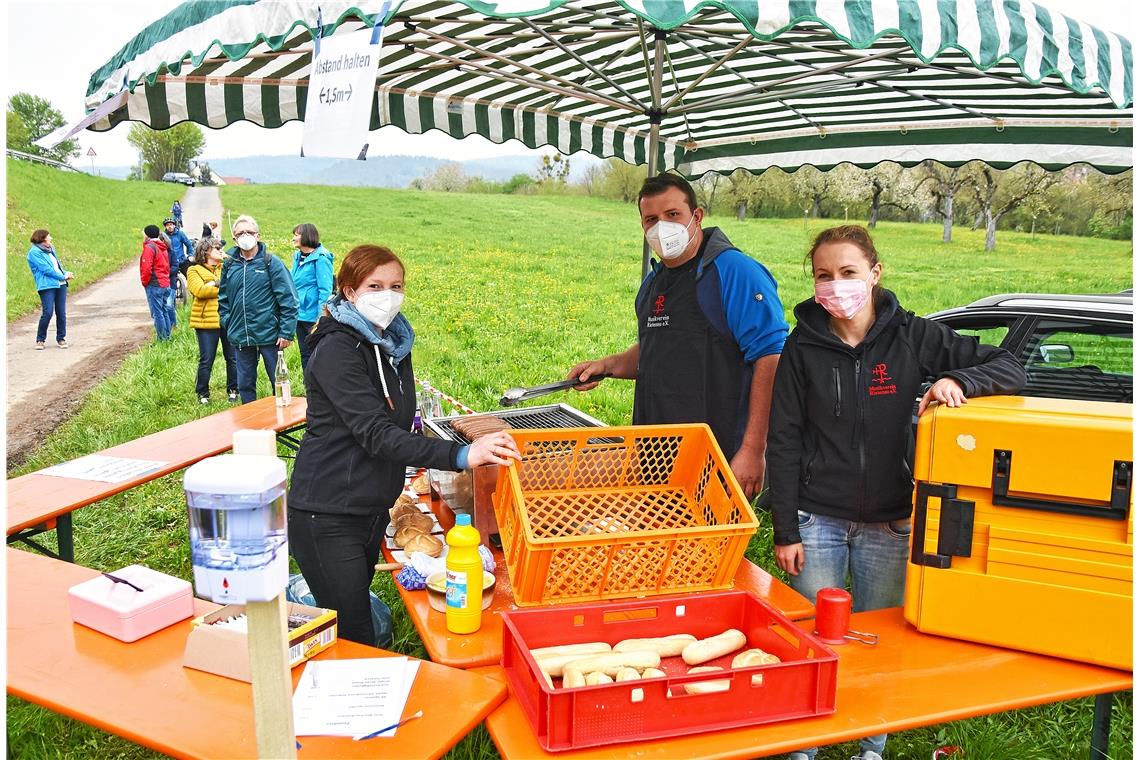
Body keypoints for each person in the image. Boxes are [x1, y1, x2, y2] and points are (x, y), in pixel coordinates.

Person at [767, 225, 1026, 760]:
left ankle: (871, 742)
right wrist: (786, 529)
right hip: (818, 518)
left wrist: (959, 381)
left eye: (848, 273)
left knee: (878, 638)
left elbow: (1009, 365)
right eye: (824, 275)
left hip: (893, 520)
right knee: (815, 635)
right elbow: (785, 438)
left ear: (875, 273)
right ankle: (806, 743)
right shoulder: (801, 347)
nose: (836, 286)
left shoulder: (912, 336)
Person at [287, 243, 521, 646]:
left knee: (354, 608)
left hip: (369, 507)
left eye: (396, 285)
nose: (387, 295)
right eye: (374, 285)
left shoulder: (393, 346)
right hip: (326, 512)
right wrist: (461, 455)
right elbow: (376, 433)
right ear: (349, 291)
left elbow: (399, 422)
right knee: (353, 633)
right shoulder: (336, 350)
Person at [568, 173, 788, 499]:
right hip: (655, 450)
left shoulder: (734, 271)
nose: (661, 227)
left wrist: (754, 449)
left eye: (672, 215)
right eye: (651, 219)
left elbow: (770, 357)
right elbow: (658, 347)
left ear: (696, 216)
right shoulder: (653, 283)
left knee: (708, 547)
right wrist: (608, 365)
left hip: (717, 452)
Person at [217, 214, 299, 403]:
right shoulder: (229, 265)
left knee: (278, 380)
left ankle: (284, 418)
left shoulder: (271, 263)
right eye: (240, 233)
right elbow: (223, 298)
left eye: (249, 232)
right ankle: (249, 421)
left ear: (258, 235)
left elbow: (289, 299)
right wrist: (228, 322)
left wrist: (286, 332)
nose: (245, 235)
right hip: (240, 335)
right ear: (235, 238)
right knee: (244, 383)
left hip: (270, 335)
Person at [187, 237, 238, 404]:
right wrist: (222, 285)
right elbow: (199, 291)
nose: (220, 250)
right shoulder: (194, 270)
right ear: (206, 251)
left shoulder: (226, 266)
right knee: (207, 358)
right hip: (206, 322)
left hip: (227, 319)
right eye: (217, 248)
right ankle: (202, 392)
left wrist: (214, 285)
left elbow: (235, 286)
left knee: (232, 357)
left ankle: (233, 389)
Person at [289, 223, 335, 370]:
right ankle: (309, 387)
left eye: (297, 234)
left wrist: (320, 318)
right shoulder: (297, 257)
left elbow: (325, 290)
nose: (293, 238)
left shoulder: (321, 259)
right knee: (305, 353)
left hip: (313, 316)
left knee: (317, 353)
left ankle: (321, 386)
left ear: (307, 236)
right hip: (299, 313)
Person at [26, 229, 75, 349]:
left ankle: (61, 339)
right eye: (49, 236)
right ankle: (40, 340)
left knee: (61, 313)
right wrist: (63, 276)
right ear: (42, 238)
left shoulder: (50, 249)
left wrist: (65, 273)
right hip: (47, 285)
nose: (51, 238)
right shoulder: (34, 253)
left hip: (60, 284)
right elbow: (46, 269)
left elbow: (57, 266)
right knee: (47, 312)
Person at [139, 225, 172, 341]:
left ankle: (162, 339)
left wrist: (144, 282)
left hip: (155, 283)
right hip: (165, 282)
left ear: (147, 234)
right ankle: (167, 337)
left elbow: (146, 267)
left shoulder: (150, 247)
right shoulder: (162, 246)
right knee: (164, 311)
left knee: (158, 313)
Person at [162, 217, 193, 329]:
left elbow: (188, 244)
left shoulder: (180, 234)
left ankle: (194, 293)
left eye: (171, 224)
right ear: (165, 227)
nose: (170, 226)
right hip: (170, 262)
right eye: (167, 225)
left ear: (175, 225)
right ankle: (171, 306)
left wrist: (190, 255)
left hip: (181, 260)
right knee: (171, 282)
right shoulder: (163, 236)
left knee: (190, 275)